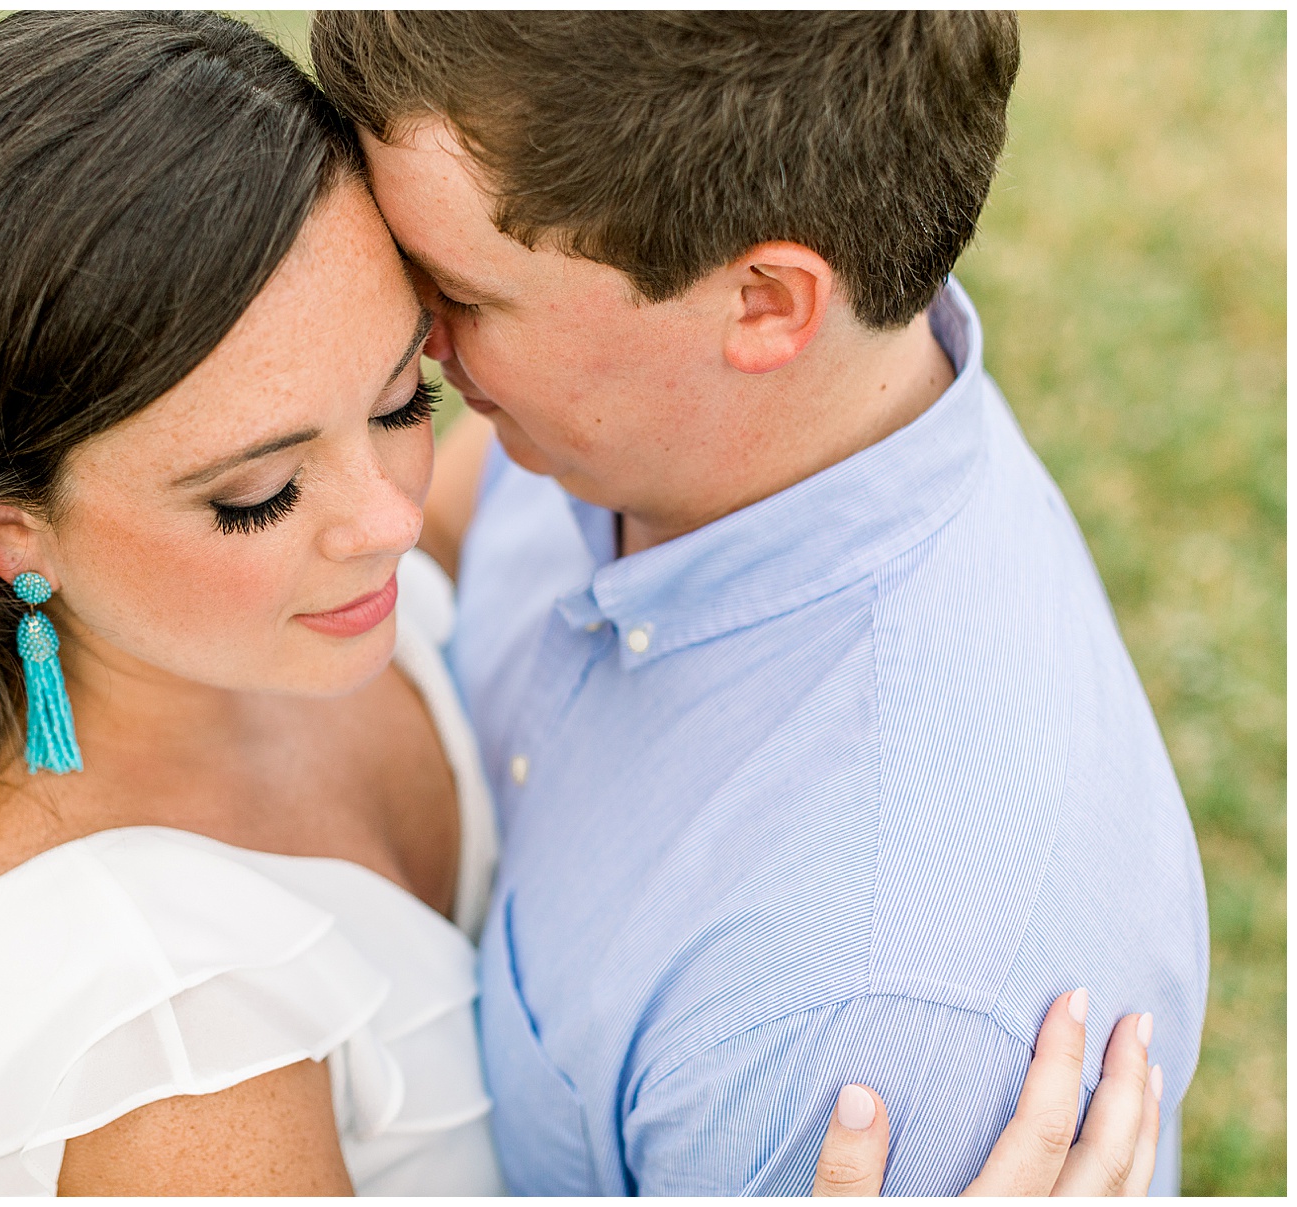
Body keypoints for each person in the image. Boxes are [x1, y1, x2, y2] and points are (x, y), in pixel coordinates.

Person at [0, 12, 1162, 1196]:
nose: (387, 519)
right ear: (14, 537)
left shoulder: (317, 585)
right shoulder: (173, 1059)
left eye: (402, 398)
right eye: (257, 492)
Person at [310, 10, 1210, 1197]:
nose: (413, 335)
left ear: (767, 304)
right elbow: (442, 526)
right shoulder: (661, 416)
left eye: (461, 292)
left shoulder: (861, 1034)